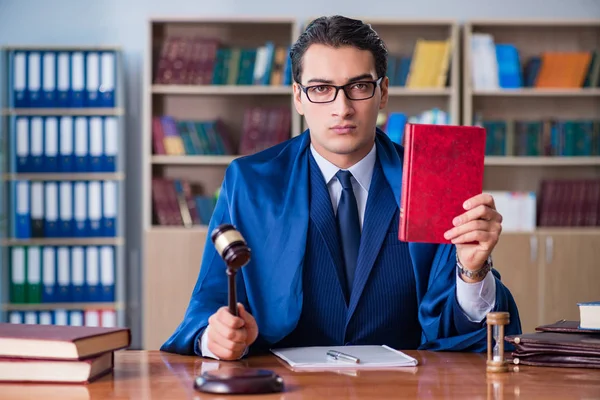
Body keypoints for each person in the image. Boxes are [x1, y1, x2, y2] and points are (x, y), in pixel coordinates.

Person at [160, 15, 521, 360]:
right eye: (320, 89)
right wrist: (217, 337)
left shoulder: (434, 178)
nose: (342, 108)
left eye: (359, 86)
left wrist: (472, 272)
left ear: (383, 94)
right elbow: (207, 304)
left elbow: (466, 334)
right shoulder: (251, 182)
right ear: (299, 97)